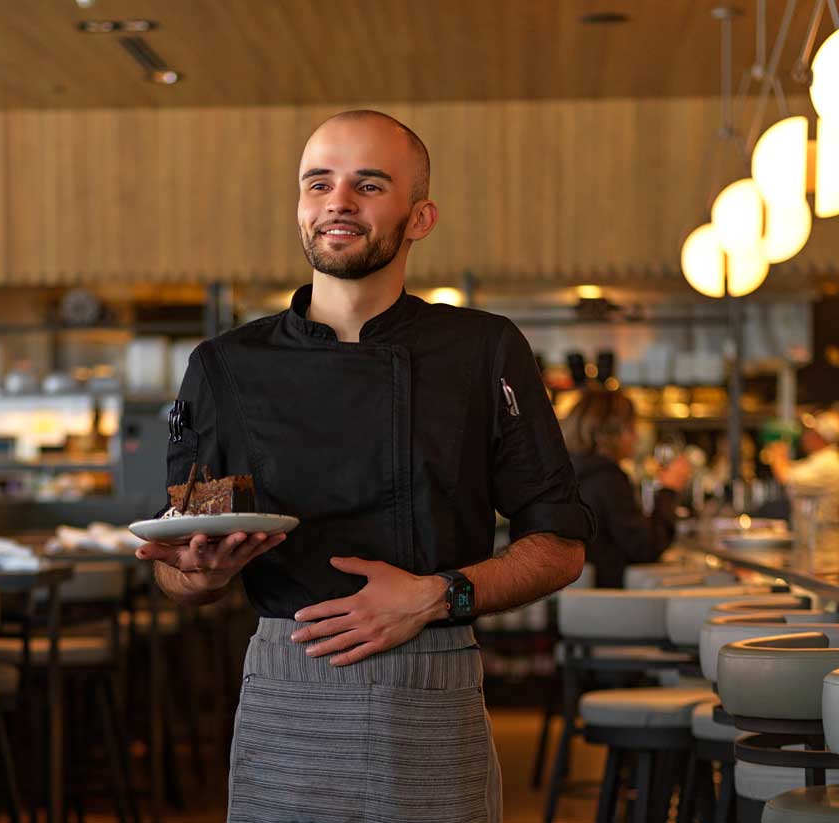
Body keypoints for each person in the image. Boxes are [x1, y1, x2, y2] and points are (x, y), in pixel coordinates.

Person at [135, 110, 594, 823]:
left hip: (433, 685)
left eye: (368, 184)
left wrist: (434, 596)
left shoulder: (484, 351)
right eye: (318, 183)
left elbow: (560, 547)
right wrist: (201, 571)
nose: (337, 201)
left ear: (420, 217)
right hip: (286, 687)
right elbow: (176, 571)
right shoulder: (224, 367)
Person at [561, 388, 692, 588]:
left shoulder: (568, 472)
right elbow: (645, 547)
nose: (637, 438)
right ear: (611, 433)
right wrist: (670, 490)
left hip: (573, 599)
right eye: (631, 428)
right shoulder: (607, 479)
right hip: (608, 601)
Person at [768, 408, 839, 523]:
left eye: (810, 433)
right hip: (815, 535)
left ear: (820, 436)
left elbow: (786, 477)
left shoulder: (827, 462)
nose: (805, 436)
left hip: (822, 537)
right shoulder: (820, 459)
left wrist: (777, 449)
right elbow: (793, 469)